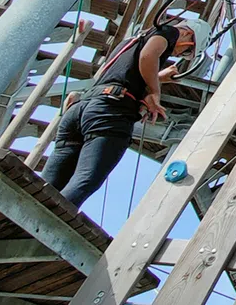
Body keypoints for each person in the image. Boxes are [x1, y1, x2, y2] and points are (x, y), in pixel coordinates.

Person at [41, 17, 204, 206]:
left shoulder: (133, 40)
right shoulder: (169, 33)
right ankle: (38, 226)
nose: (178, 54)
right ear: (188, 36)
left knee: (49, 183)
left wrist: (158, 78)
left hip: (82, 108)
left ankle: (17, 219)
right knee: (86, 180)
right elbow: (147, 57)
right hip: (109, 112)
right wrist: (154, 92)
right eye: (185, 52)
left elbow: (124, 74)